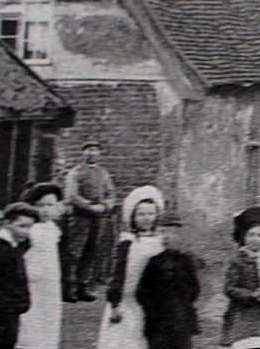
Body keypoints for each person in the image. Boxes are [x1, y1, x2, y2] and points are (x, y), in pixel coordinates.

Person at [96, 185, 164, 349]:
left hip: (150, 301)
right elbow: (118, 273)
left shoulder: (160, 242)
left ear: (156, 216)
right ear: (133, 216)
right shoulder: (127, 242)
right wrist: (115, 304)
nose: (146, 218)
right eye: (141, 214)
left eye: (150, 214)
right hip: (127, 300)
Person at [221, 206, 260, 349]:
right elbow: (229, 288)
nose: (256, 239)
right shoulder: (237, 260)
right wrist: (251, 295)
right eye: (251, 235)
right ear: (243, 237)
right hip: (244, 317)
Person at [136, 214, 200, 349]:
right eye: (164, 233)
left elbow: (194, 289)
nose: (169, 237)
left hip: (181, 319)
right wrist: (153, 308)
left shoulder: (186, 261)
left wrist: (182, 301)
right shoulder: (153, 262)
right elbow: (141, 292)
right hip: (158, 322)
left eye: (175, 233)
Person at [63, 141, 116, 302]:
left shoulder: (103, 173)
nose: (92, 153)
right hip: (79, 218)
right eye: (88, 150)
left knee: (90, 252)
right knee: (74, 252)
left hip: (97, 219)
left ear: (99, 153)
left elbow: (111, 193)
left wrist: (105, 205)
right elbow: (71, 195)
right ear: (83, 153)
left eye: (95, 150)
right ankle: (68, 288)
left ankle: (82, 287)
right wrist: (89, 207)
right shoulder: (76, 172)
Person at [17, 183, 64, 349]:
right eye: (41, 205)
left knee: (49, 317)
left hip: (49, 283)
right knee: (31, 320)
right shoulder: (29, 230)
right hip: (32, 282)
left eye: (50, 205)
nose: (45, 210)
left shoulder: (53, 229)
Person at [0, 202, 38, 349]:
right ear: (7, 223)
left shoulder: (14, 247)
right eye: (21, 226)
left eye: (29, 227)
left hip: (11, 311)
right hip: (3, 312)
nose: (26, 232)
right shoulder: (2, 249)